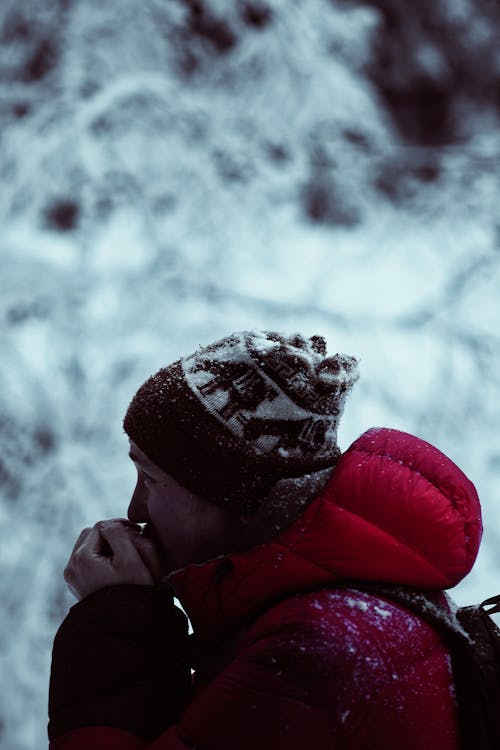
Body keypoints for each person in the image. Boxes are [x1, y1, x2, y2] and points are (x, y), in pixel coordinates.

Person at [48, 330, 482, 750]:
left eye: (150, 479)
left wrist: (114, 626)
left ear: (230, 494)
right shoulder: (345, 610)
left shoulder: (311, 655)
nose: (134, 510)